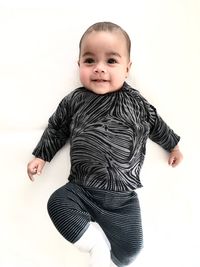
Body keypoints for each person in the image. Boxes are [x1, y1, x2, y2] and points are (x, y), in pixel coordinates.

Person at [27, 21, 183, 267]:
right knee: (56, 203)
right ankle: (94, 243)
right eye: (90, 61)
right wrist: (41, 156)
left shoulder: (137, 103)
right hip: (81, 189)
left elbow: (156, 124)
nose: (99, 69)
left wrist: (172, 146)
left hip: (123, 199)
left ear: (127, 68)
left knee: (132, 251)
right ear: (79, 64)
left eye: (111, 61)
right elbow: (56, 128)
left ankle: (111, 260)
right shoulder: (75, 100)